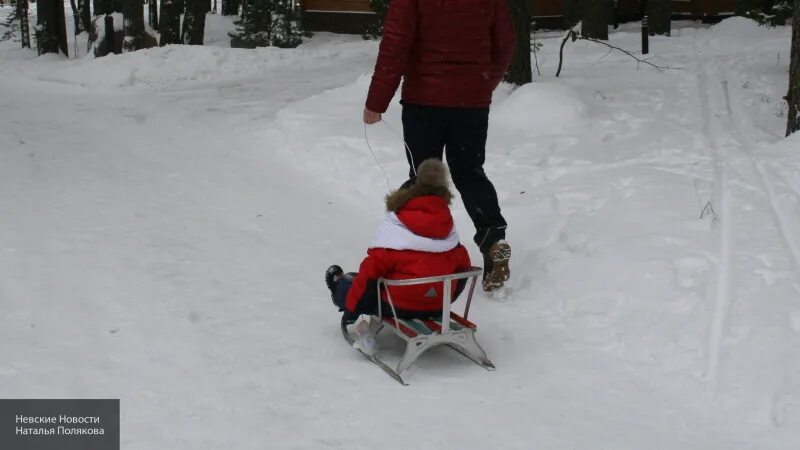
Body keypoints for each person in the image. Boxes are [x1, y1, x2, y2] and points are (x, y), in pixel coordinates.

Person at [362, 0, 516, 291]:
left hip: (425, 100)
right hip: (471, 102)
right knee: (470, 172)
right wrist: (483, 83)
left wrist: (377, 100)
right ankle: (493, 239)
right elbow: (505, 42)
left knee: (423, 178)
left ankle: (417, 255)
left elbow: (396, 43)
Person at [325, 159, 472, 353]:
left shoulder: (396, 230)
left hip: (398, 307)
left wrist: (353, 307)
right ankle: (346, 282)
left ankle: (339, 284)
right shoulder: (449, 233)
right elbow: (463, 269)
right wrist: (446, 298)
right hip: (437, 306)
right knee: (370, 279)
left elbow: (370, 274)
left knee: (356, 283)